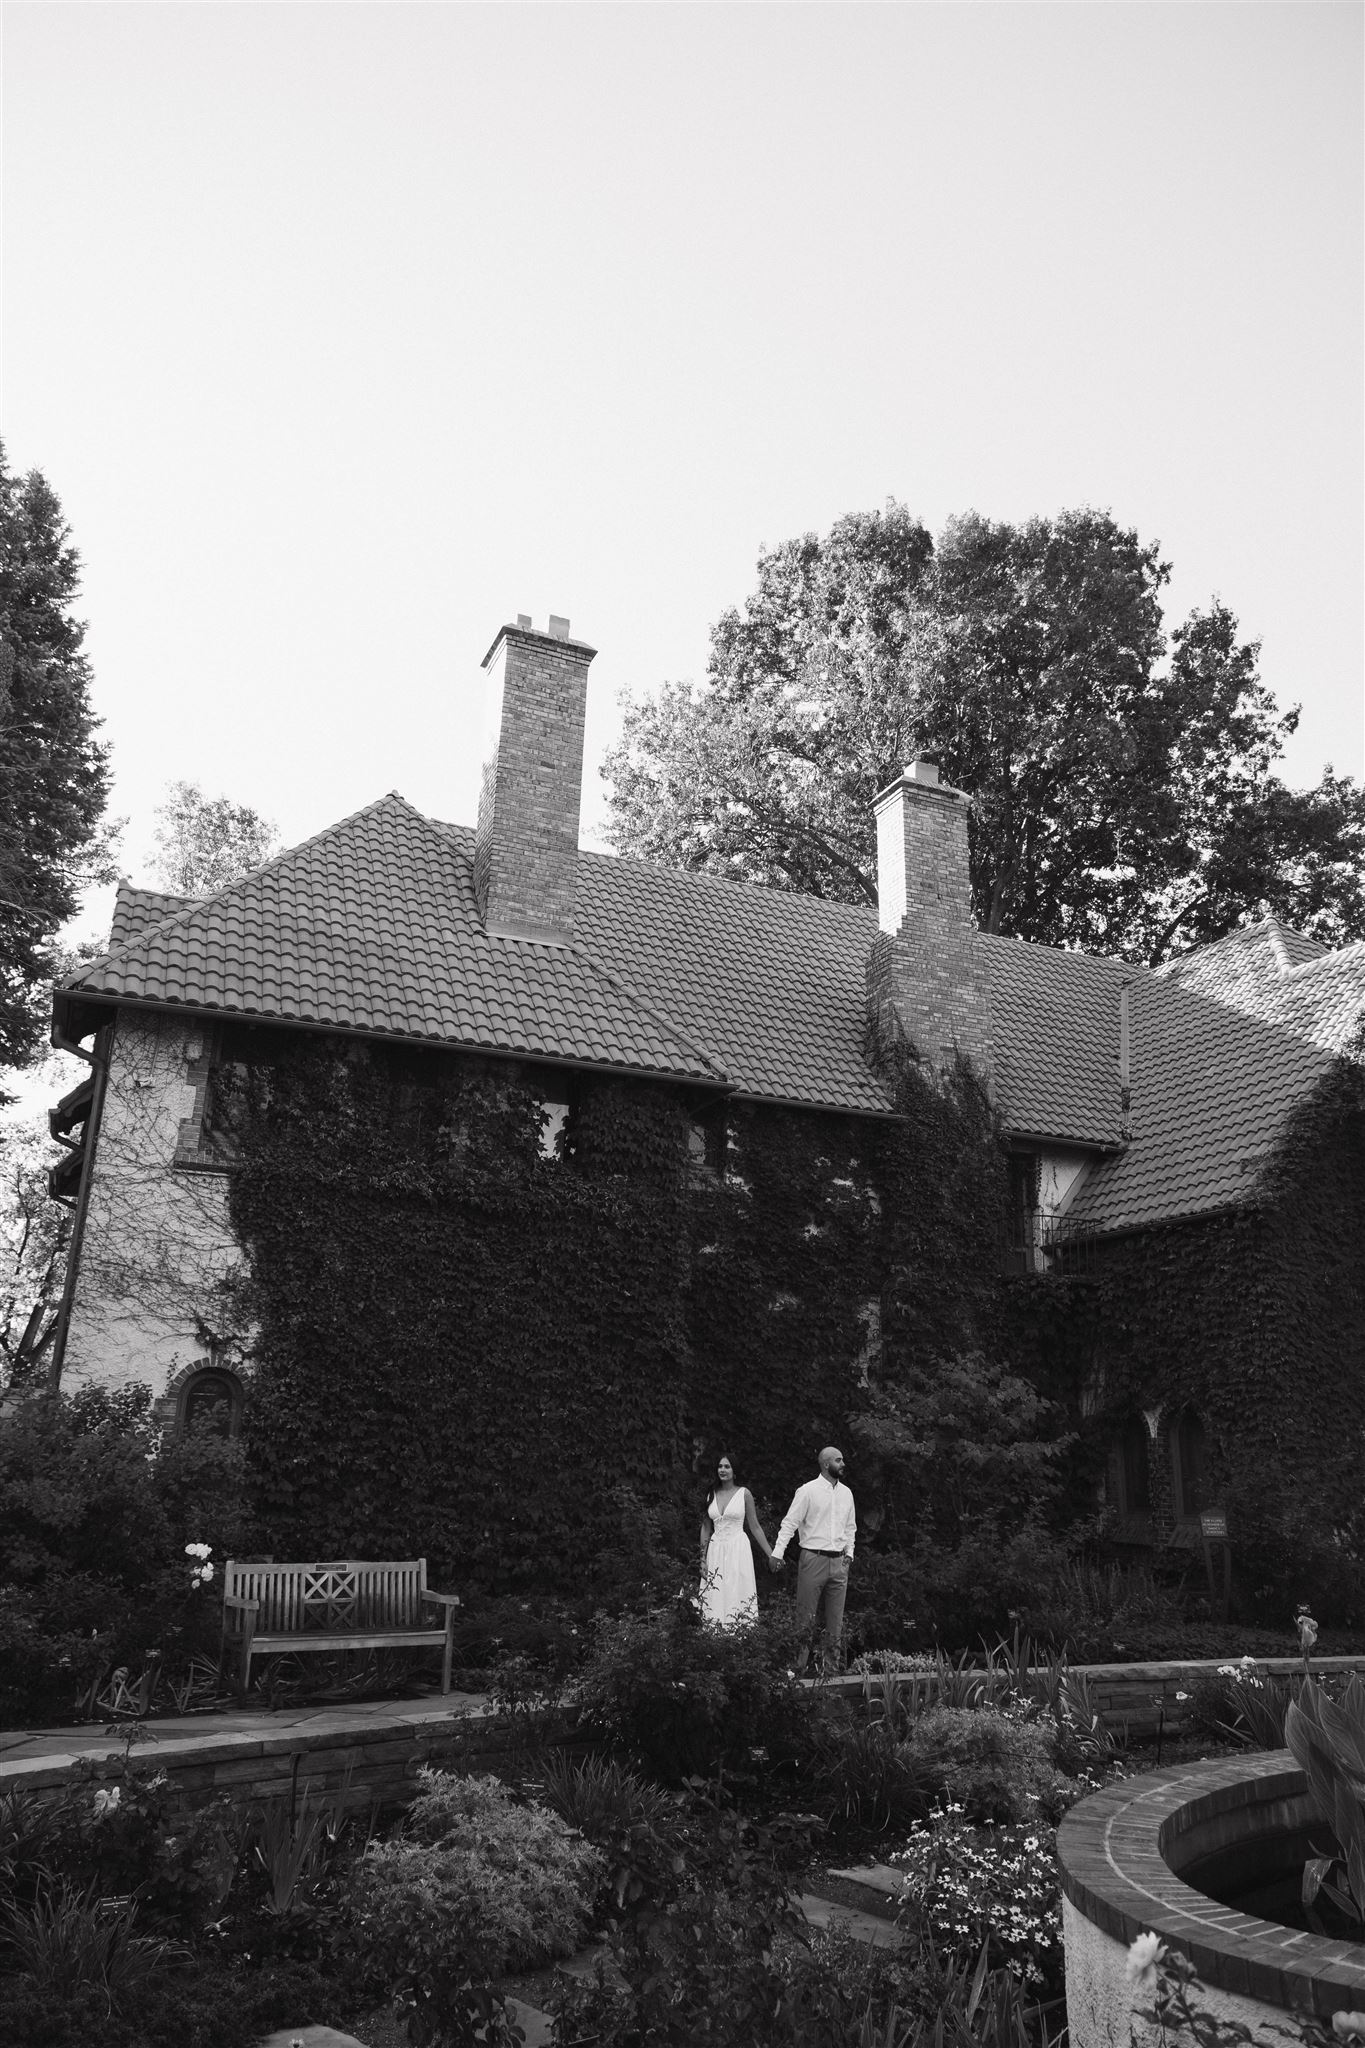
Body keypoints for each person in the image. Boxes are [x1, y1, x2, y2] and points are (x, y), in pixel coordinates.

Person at [771, 1446, 855, 1672]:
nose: (843, 1464)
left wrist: (849, 1555)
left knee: (835, 1622)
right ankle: (798, 1669)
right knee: (805, 1618)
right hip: (813, 1559)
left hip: (839, 1562)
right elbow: (790, 1523)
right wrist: (777, 1553)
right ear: (826, 1464)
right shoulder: (807, 1491)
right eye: (839, 1460)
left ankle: (830, 1671)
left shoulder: (847, 1493)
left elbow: (850, 1527)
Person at [699, 1452, 778, 1626]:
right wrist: (702, 1558)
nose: (723, 1470)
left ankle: (740, 1638)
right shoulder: (710, 1495)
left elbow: (755, 1527)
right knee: (715, 1593)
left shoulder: (744, 1494)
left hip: (738, 1549)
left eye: (727, 1466)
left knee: (737, 1591)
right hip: (716, 1549)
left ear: (734, 1471)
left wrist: (772, 1554)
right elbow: (706, 1527)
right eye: (720, 1466)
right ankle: (713, 1638)